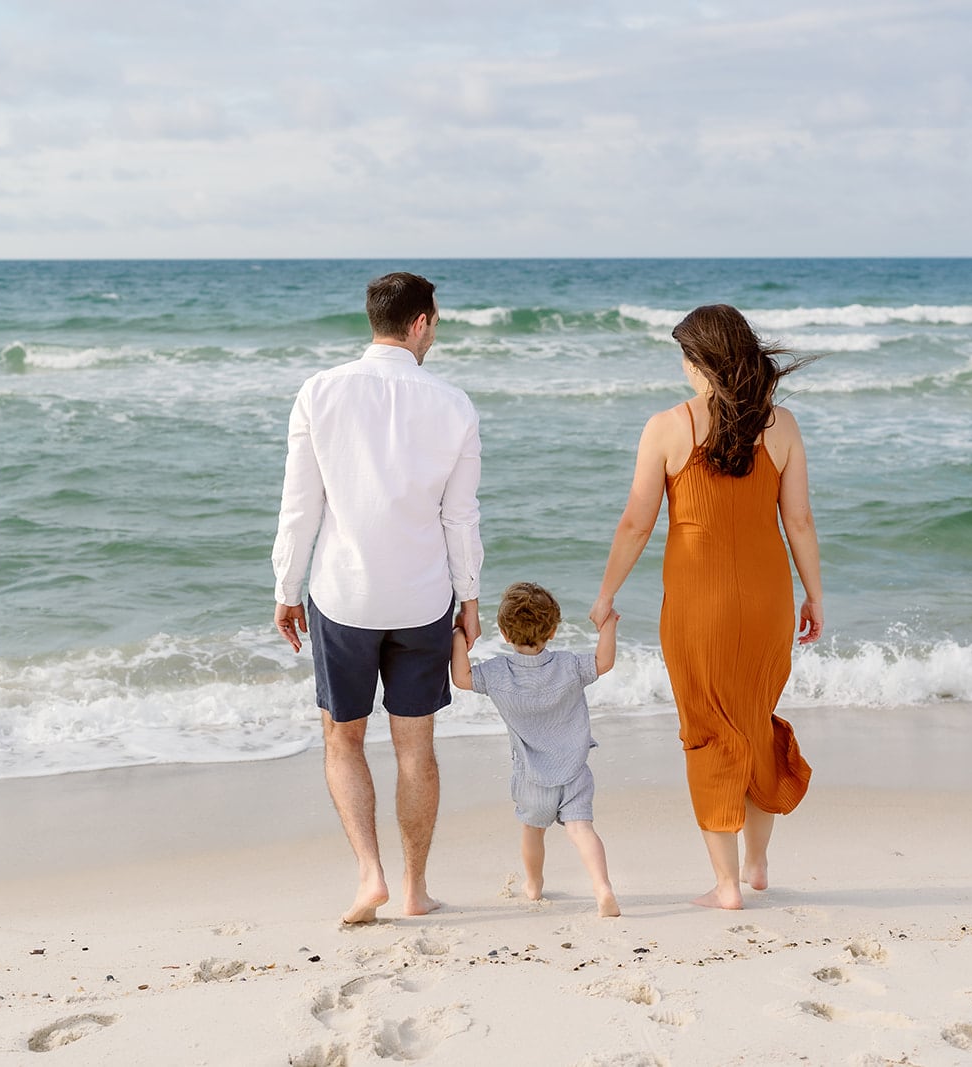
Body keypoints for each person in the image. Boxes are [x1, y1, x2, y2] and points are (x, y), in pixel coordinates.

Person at [589, 304, 823, 911]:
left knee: (708, 728)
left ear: (701, 363)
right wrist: (814, 594)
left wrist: (607, 592)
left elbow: (637, 522)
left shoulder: (667, 427)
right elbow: (797, 520)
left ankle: (725, 886)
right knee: (755, 719)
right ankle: (758, 863)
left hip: (698, 602)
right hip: (770, 595)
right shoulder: (785, 427)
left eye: (686, 360)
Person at [271, 271, 483, 925]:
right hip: (423, 600)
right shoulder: (453, 405)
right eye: (436, 321)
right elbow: (460, 517)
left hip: (344, 597)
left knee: (343, 739)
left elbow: (301, 505)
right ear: (420, 322)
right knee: (416, 747)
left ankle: (371, 875)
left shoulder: (319, 392)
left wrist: (286, 586)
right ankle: (416, 889)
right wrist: (470, 597)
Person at [451, 582, 621, 918]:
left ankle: (534, 885)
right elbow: (603, 662)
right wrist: (609, 624)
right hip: (573, 771)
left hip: (531, 777)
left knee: (532, 830)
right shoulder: (569, 665)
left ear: (503, 632)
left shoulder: (498, 673)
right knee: (581, 829)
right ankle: (602, 886)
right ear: (554, 631)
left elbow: (461, 678)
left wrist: (459, 635)